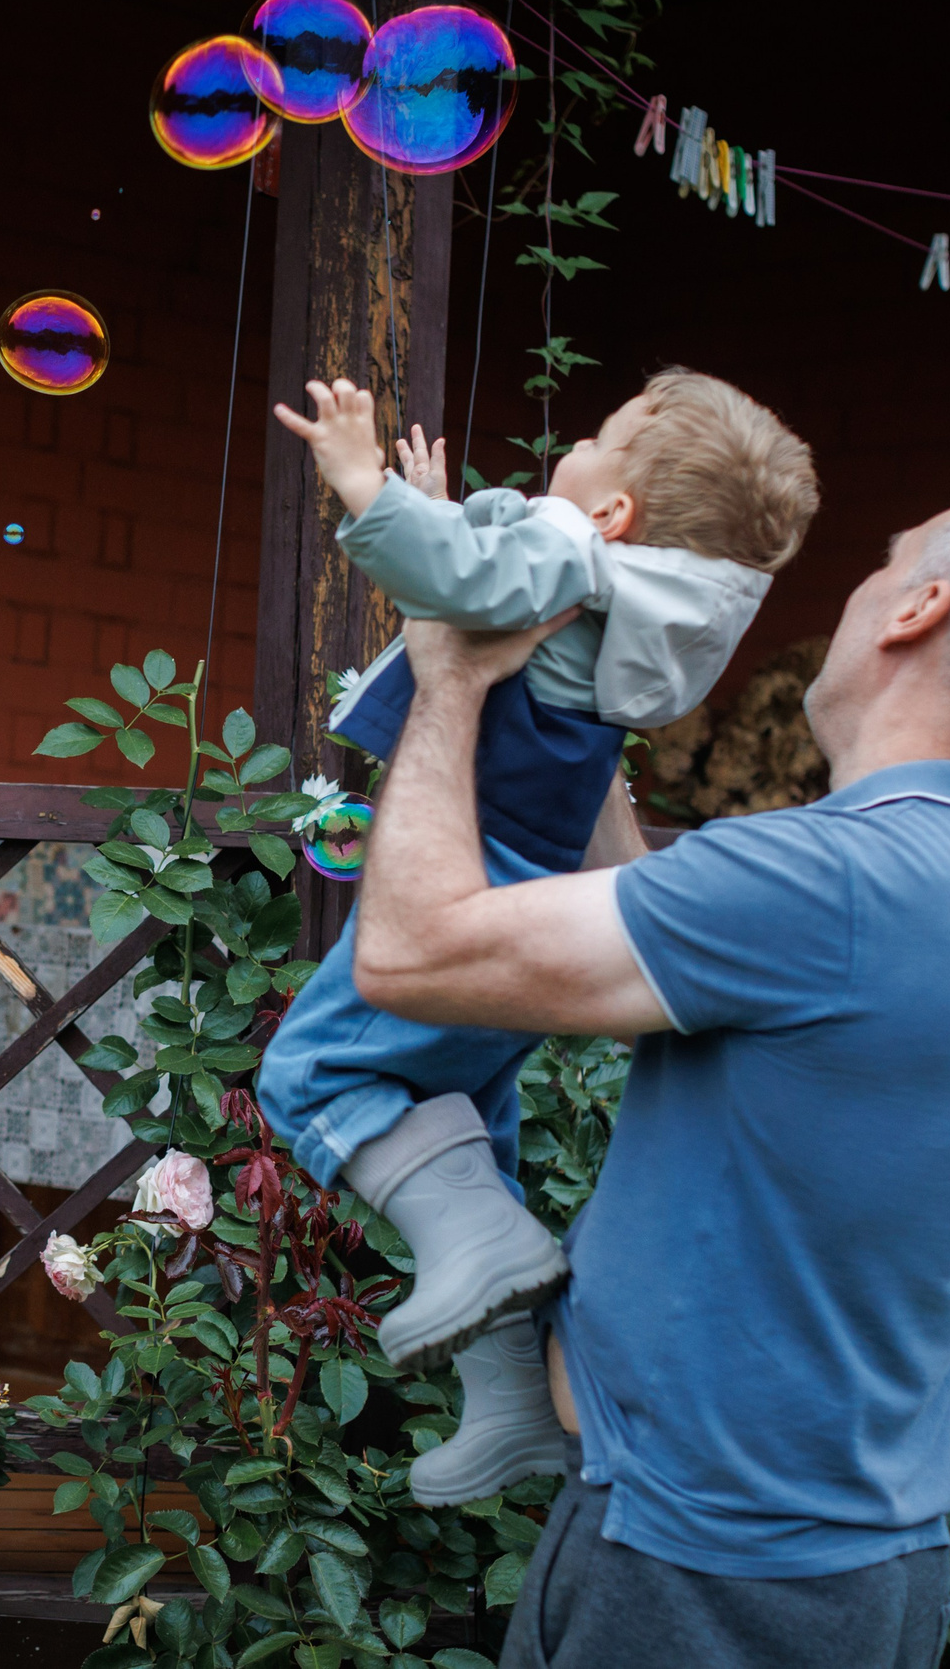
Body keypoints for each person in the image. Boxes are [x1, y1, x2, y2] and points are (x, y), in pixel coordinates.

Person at [348, 474, 950, 1668]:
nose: (855, 592)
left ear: (915, 610)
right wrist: (584, 716)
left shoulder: (828, 882)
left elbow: (407, 954)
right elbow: (672, 973)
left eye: (880, 565)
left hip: (697, 1581)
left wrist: (451, 680)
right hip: (858, 1568)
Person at [259, 369, 819, 1505]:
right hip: (536, 875)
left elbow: (462, 582)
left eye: (601, 437)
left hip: (466, 856)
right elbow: (484, 570)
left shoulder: (574, 547)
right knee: (463, 1125)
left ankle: (485, 1251)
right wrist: (445, 515)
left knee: (308, 1071)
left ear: (616, 515)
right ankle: (512, 1396)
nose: (577, 440)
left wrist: (369, 490)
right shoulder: (635, 596)